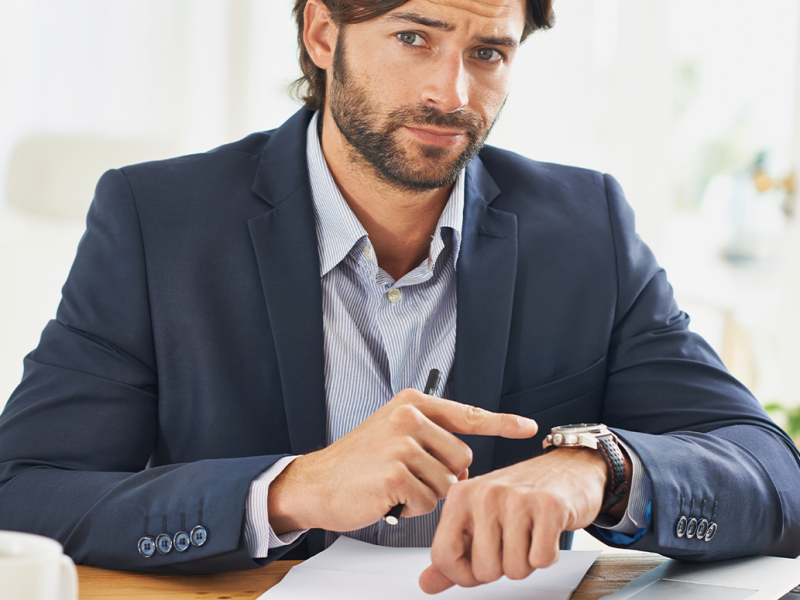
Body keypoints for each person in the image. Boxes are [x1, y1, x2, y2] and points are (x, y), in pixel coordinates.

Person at [1, 0, 799, 592]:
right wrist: (287, 490)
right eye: (413, 37)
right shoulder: (159, 221)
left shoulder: (587, 227)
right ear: (322, 34)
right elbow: (22, 494)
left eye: (488, 53)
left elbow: (774, 473)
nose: (451, 93)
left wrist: (598, 470)